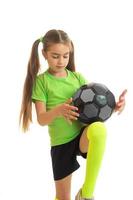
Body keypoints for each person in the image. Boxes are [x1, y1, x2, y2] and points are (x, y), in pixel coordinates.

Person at [19, 29, 127, 200]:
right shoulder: (42, 82)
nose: (61, 61)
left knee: (99, 129)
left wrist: (113, 107)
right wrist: (58, 111)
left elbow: (94, 107)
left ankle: (86, 193)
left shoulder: (77, 78)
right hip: (61, 144)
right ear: (44, 54)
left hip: (80, 136)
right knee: (63, 197)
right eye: (55, 56)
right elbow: (41, 119)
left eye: (65, 56)